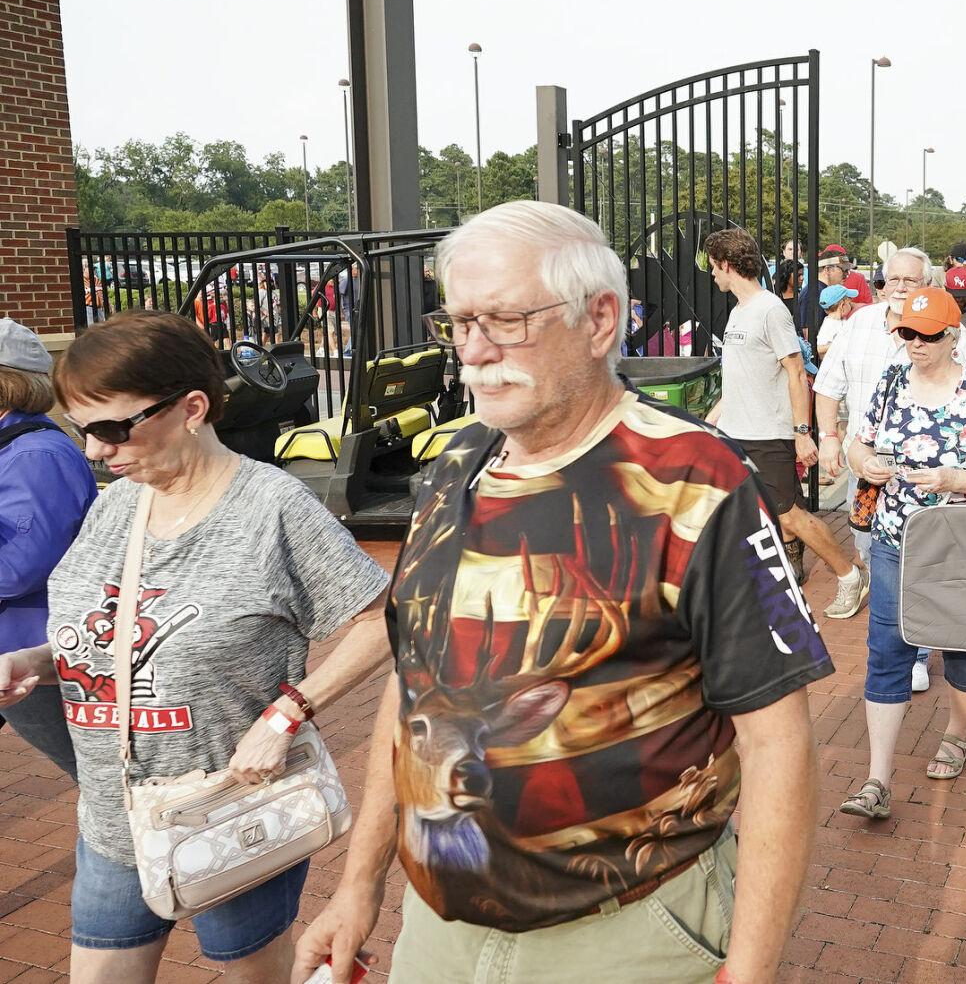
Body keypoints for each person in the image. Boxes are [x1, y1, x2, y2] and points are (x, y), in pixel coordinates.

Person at [295, 201, 831, 984]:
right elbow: (414, 690)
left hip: (624, 936)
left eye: (505, 321)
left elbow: (777, 738)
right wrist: (356, 885)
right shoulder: (453, 468)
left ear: (599, 319)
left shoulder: (695, 480)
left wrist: (749, 969)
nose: (473, 353)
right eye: (458, 323)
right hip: (435, 931)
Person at [0, 311, 392, 983]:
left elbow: (384, 619)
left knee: (252, 974)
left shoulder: (272, 507)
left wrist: (289, 709)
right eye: (83, 428)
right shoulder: (118, 504)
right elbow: (121, 628)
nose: (95, 450)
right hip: (113, 816)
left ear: (191, 408)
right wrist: (37, 659)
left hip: (234, 810)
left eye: (112, 427)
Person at [837, 288, 966, 820]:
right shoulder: (894, 383)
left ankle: (959, 734)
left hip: (959, 544)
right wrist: (864, 461)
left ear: (951, 337)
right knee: (887, 648)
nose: (913, 344)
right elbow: (859, 440)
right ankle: (877, 778)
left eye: (924, 336)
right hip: (897, 540)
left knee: (963, 646)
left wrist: (954, 478)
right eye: (905, 334)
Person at [814, 249, 966, 694]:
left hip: (932, 480)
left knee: (923, 564)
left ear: (927, 284)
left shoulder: (953, 333)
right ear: (881, 282)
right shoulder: (858, 326)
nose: (901, 288)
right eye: (893, 280)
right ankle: (900, 642)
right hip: (869, 470)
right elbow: (828, 388)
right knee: (874, 554)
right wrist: (829, 437)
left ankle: (917, 652)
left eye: (912, 280)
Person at [704, 227, 871, 618]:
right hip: (738, 433)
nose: (712, 274)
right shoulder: (738, 312)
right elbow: (742, 378)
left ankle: (849, 576)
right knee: (763, 514)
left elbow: (796, 373)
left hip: (767, 435)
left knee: (790, 515)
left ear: (728, 265)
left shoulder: (770, 309)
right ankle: (765, 583)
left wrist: (802, 434)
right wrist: (712, 421)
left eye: (714, 266)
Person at [0, 319, 97, 779]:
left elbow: (20, 565)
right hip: (17, 644)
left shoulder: (35, 455)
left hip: (31, 648)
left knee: (101, 780)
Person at [816, 283, 860, 357]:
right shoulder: (829, 324)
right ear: (842, 305)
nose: (851, 305)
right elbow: (820, 348)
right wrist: (841, 343)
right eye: (849, 303)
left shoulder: (841, 320)